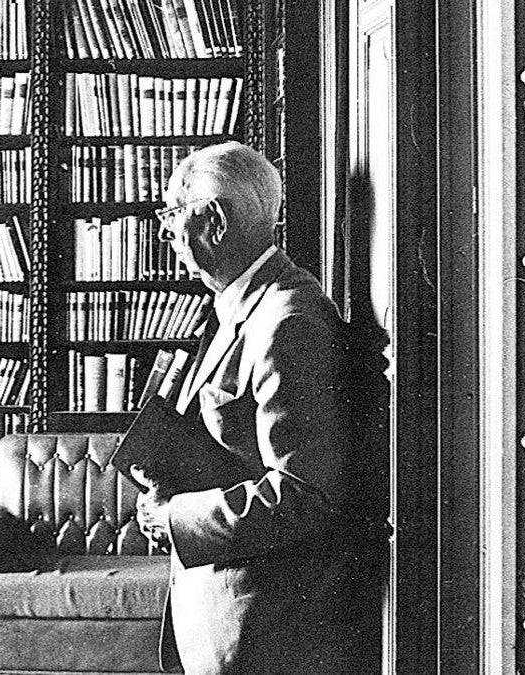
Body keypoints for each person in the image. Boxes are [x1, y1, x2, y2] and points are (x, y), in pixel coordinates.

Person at [133, 142, 385, 674]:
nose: (165, 232)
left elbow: (305, 494)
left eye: (174, 213)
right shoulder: (238, 307)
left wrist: (174, 516)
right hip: (228, 621)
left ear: (217, 221)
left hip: (263, 635)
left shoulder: (286, 321)